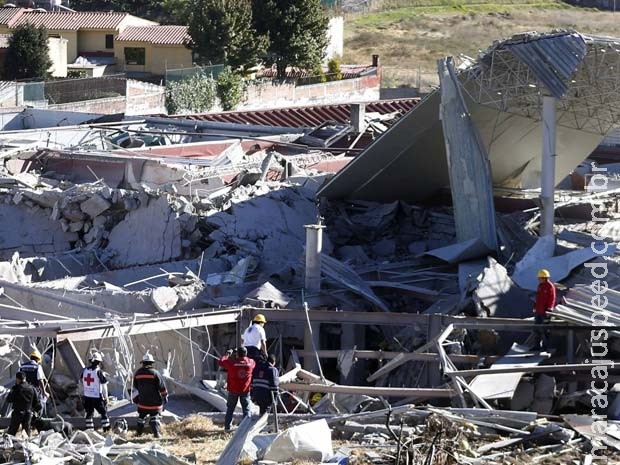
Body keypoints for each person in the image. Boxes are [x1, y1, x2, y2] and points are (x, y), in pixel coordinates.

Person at [219, 346, 255, 432]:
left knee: (230, 409)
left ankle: (227, 427)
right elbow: (251, 361)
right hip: (245, 390)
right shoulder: (251, 363)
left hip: (233, 389)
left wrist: (228, 354)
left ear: (237, 354)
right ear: (246, 354)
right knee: (246, 409)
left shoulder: (232, 363)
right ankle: (246, 428)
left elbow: (221, 362)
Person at [133, 353, 168, 438]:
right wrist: (165, 396)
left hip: (142, 402)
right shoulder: (155, 373)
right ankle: (156, 434)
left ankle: (138, 434)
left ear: (143, 363)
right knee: (154, 417)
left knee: (141, 418)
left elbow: (135, 386)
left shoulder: (138, 373)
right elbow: (162, 387)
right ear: (151, 363)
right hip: (154, 402)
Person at [80, 352, 110, 432]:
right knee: (103, 413)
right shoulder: (99, 372)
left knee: (89, 414)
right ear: (99, 362)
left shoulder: (84, 371)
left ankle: (90, 431)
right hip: (97, 397)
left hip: (87, 396)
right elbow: (104, 386)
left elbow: (81, 383)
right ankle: (106, 430)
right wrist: (106, 397)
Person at [6, 372, 40, 437]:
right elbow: (36, 402)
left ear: (17, 379)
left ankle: (9, 445)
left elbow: (9, 399)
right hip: (28, 413)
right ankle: (27, 445)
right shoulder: (32, 388)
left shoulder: (15, 388)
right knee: (27, 433)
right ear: (25, 378)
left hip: (17, 413)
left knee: (11, 433)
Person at [533, 269, 556, 350]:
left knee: (545, 330)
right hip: (539, 311)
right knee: (537, 329)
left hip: (545, 312)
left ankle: (545, 347)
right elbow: (538, 298)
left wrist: (550, 308)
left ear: (544, 278)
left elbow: (552, 298)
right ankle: (537, 346)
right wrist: (535, 307)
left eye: (540, 278)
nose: (538, 279)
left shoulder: (550, 286)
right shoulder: (540, 286)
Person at [19, 350, 47, 416]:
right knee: (37, 407)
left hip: (23, 391)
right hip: (34, 392)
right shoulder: (37, 367)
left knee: (25, 408)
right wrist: (44, 392)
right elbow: (40, 380)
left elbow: (18, 380)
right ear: (37, 360)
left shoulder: (22, 366)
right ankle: (36, 419)